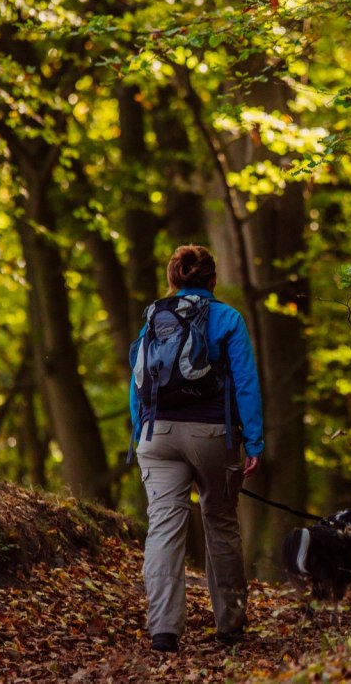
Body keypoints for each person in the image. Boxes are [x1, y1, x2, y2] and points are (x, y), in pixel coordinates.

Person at [130, 245, 263, 654]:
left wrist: (141, 435)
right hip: (212, 436)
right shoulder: (228, 318)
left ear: (173, 279)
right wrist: (253, 440)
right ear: (212, 280)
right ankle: (230, 626)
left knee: (164, 527)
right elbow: (245, 383)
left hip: (157, 435)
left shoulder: (154, 317)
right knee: (220, 522)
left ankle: (164, 631)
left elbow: (136, 382)